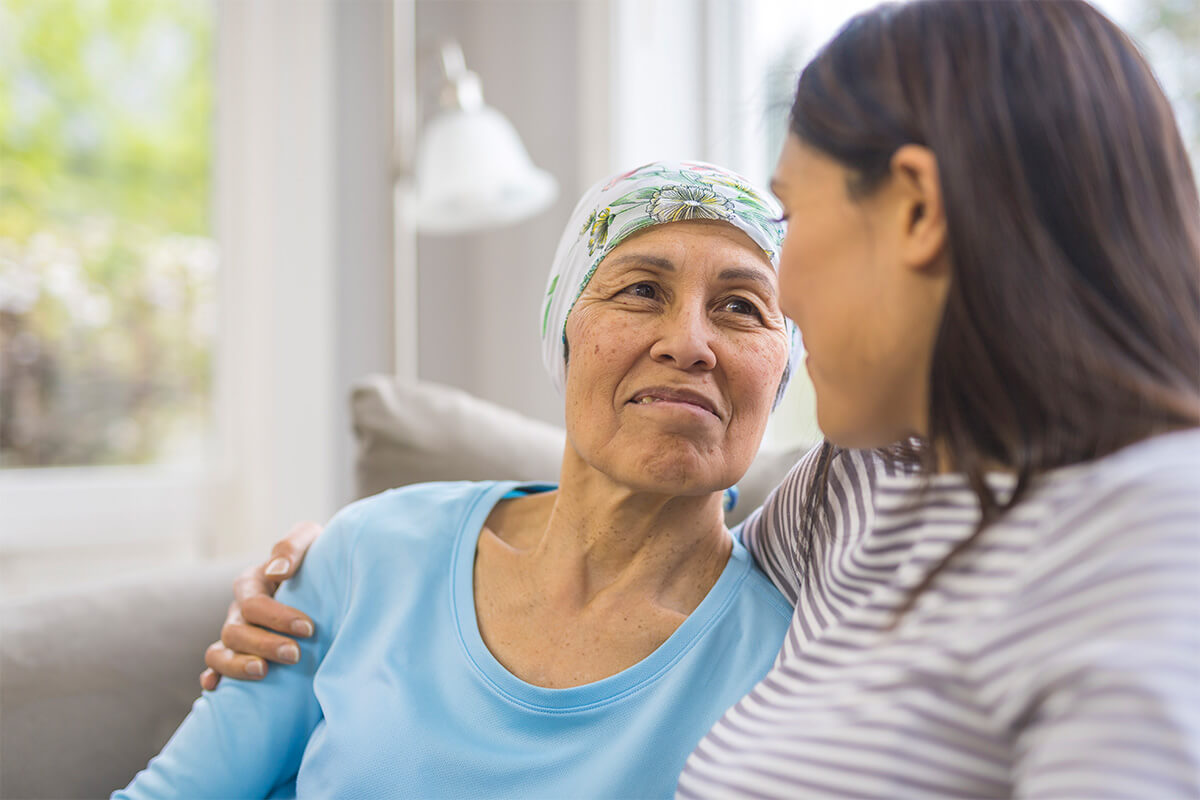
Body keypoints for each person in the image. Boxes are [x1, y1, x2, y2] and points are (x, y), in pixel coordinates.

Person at [207, 1, 1200, 797]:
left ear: (917, 209)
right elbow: (650, 535)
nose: (785, 299)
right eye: (640, 289)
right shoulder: (865, 488)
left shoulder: (1151, 540)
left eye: (794, 218)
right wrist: (333, 568)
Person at [114, 160, 804, 799]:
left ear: (781, 374)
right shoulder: (371, 549)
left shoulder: (790, 668)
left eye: (741, 306)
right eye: (642, 290)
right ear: (564, 334)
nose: (687, 342)